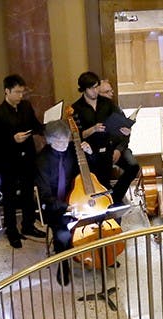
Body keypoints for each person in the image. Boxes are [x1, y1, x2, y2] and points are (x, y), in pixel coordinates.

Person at [0, 74, 45, 248]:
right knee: (10, 196)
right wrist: (13, 139)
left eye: (22, 92)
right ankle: (11, 230)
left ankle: (28, 225)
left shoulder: (26, 107)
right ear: (7, 91)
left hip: (27, 157)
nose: (21, 96)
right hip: (9, 160)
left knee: (28, 192)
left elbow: (35, 125)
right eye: (17, 92)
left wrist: (46, 127)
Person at [70, 72, 139, 206]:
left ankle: (114, 198)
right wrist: (93, 129)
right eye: (92, 88)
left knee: (128, 168)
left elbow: (119, 122)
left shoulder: (107, 103)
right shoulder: (76, 108)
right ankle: (104, 203)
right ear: (84, 89)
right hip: (91, 151)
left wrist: (125, 130)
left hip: (109, 146)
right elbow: (77, 136)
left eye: (97, 87)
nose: (95, 91)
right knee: (100, 181)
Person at [35, 120, 82, 285]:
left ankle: (100, 256)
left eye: (66, 140)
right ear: (50, 141)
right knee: (62, 234)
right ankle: (64, 265)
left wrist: (88, 155)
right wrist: (65, 206)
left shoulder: (71, 152)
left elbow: (83, 173)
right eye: (60, 141)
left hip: (75, 198)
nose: (64, 144)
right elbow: (45, 195)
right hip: (55, 205)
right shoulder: (42, 160)